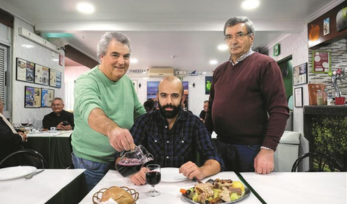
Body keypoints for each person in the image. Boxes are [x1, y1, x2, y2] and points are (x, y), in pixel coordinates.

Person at [205, 16, 289, 175]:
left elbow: (279, 110)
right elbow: (210, 111)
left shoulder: (265, 65)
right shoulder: (219, 71)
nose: (233, 41)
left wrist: (267, 150)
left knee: (254, 195)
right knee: (221, 194)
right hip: (220, 146)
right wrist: (204, 141)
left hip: (251, 149)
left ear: (251, 38)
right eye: (229, 36)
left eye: (239, 35)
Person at [71, 32, 146, 191]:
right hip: (92, 162)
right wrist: (112, 129)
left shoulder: (126, 81)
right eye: (115, 55)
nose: (121, 61)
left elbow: (138, 111)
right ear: (102, 56)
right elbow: (90, 109)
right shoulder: (87, 80)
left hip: (122, 159)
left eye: (126, 56)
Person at [120, 76, 224, 185]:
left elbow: (215, 159)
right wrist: (133, 172)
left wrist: (201, 171)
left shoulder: (194, 123)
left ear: (182, 98)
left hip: (184, 186)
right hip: (148, 185)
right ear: (157, 97)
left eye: (174, 96)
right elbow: (121, 157)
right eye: (164, 95)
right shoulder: (144, 121)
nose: (169, 101)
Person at [0, 93, 28, 168]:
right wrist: (20, 137)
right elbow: (7, 139)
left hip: (1, 156)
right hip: (3, 160)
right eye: (3, 104)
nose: (3, 106)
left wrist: (18, 132)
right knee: (41, 162)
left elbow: (2, 131)